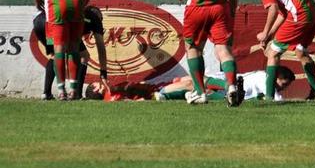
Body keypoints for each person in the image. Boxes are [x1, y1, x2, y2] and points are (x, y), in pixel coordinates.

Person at [245, 0, 315, 101]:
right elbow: (282, 13)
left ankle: (269, 97)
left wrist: (264, 32)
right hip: (314, 15)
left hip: (300, 14)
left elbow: (273, 9)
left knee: (272, 52)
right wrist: (269, 35)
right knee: (301, 51)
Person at [85, 66, 296, 102]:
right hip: (228, 84)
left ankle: (162, 94)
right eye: (282, 83)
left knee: (191, 84)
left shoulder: (263, 79)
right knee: (191, 83)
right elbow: (276, 99)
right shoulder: (264, 79)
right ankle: (160, 94)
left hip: (228, 88)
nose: (282, 87)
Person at [33, 6, 108, 100]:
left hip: (40, 22)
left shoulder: (80, 12)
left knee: (55, 55)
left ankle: (46, 93)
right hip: (57, 24)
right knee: (84, 56)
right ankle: (77, 93)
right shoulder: (95, 18)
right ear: (98, 16)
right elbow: (100, 47)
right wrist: (103, 73)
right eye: (101, 18)